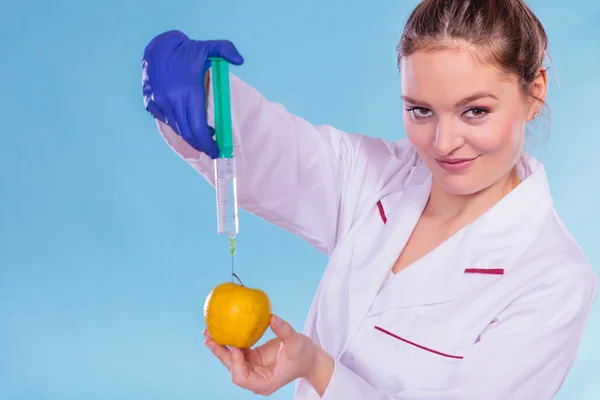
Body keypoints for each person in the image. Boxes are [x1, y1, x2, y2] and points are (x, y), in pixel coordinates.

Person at [140, 0, 598, 398]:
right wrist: (199, 90)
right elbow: (270, 148)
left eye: (474, 111)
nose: (442, 143)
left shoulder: (553, 279)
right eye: (420, 110)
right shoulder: (379, 176)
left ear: (534, 92)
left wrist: (317, 369)